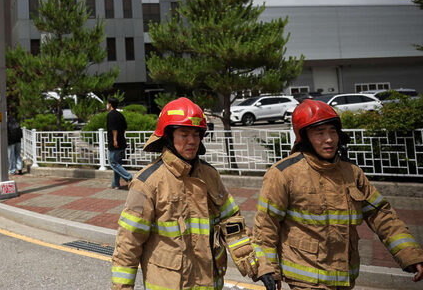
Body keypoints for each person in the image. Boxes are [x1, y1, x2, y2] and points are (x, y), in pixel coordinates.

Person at [253, 99, 423, 289]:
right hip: (305, 280)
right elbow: (266, 225)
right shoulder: (284, 174)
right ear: (304, 137)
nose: (329, 139)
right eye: (320, 133)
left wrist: (409, 254)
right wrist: (267, 268)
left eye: (333, 131)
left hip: (346, 279)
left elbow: (381, 214)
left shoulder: (352, 173)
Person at [111, 97, 263, 290]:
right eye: (184, 134)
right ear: (168, 136)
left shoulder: (210, 175)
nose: (192, 141)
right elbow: (127, 245)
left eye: (196, 134)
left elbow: (233, 223)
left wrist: (263, 267)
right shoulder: (146, 183)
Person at [106, 97, 132, 189]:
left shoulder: (110, 115)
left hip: (115, 143)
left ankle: (129, 177)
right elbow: (124, 128)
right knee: (118, 163)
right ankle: (116, 183)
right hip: (122, 142)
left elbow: (114, 129)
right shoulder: (120, 115)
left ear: (110, 104)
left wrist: (115, 140)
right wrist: (120, 138)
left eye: (107, 103)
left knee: (113, 163)